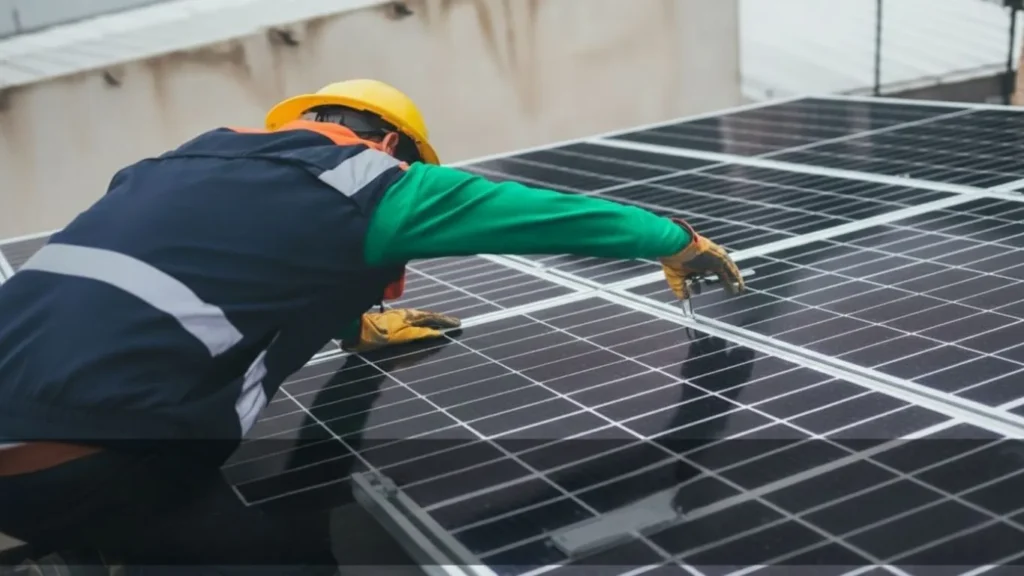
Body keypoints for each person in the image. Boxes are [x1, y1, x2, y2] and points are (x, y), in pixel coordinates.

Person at [0, 79, 744, 575]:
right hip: (91, 470)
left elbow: (240, 267)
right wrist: (677, 240)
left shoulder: (165, 168)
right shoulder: (368, 182)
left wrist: (358, 329)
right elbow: (546, 212)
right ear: (393, 145)